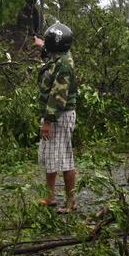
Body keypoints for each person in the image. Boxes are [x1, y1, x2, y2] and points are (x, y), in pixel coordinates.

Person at [36, 22, 78, 213]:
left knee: (65, 159)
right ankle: (50, 195)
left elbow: (58, 96)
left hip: (59, 116)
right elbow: (48, 59)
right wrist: (41, 46)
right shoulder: (59, 58)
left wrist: (48, 121)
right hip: (54, 116)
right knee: (51, 157)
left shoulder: (64, 65)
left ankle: (71, 201)